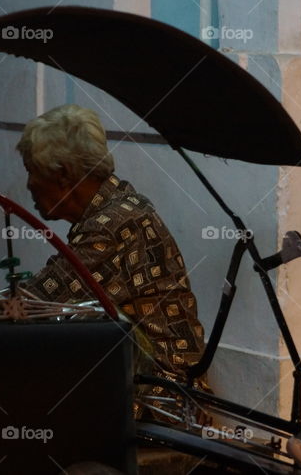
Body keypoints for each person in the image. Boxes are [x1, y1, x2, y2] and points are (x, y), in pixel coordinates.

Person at [17, 104, 207, 383]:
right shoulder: (119, 201)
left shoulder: (109, 226)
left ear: (63, 175)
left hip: (155, 391)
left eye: (31, 170)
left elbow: (33, 303)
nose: (29, 184)